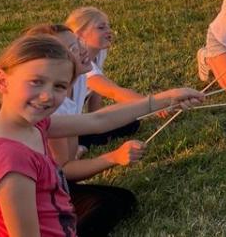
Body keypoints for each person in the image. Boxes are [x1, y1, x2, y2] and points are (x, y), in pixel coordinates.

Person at [0, 33, 202, 237]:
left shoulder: (32, 125)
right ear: (2, 81)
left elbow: (98, 120)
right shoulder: (11, 161)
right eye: (36, 81)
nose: (47, 96)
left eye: (59, 86)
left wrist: (164, 99)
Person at [23, 24, 144, 235]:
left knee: (123, 200)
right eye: (72, 48)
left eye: (78, 42)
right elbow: (65, 170)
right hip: (22, 194)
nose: (82, 49)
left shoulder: (77, 78)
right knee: (107, 205)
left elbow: (97, 118)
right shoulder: (50, 105)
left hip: (50, 169)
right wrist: (114, 157)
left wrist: (164, 100)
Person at [64, 8, 146, 147]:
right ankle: (82, 145)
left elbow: (96, 93)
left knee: (130, 122)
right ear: (79, 35)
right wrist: (152, 104)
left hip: (76, 122)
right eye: (101, 27)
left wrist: (99, 123)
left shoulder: (99, 52)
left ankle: (88, 140)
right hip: (64, 128)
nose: (109, 30)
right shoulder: (79, 64)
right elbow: (112, 91)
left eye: (108, 26)